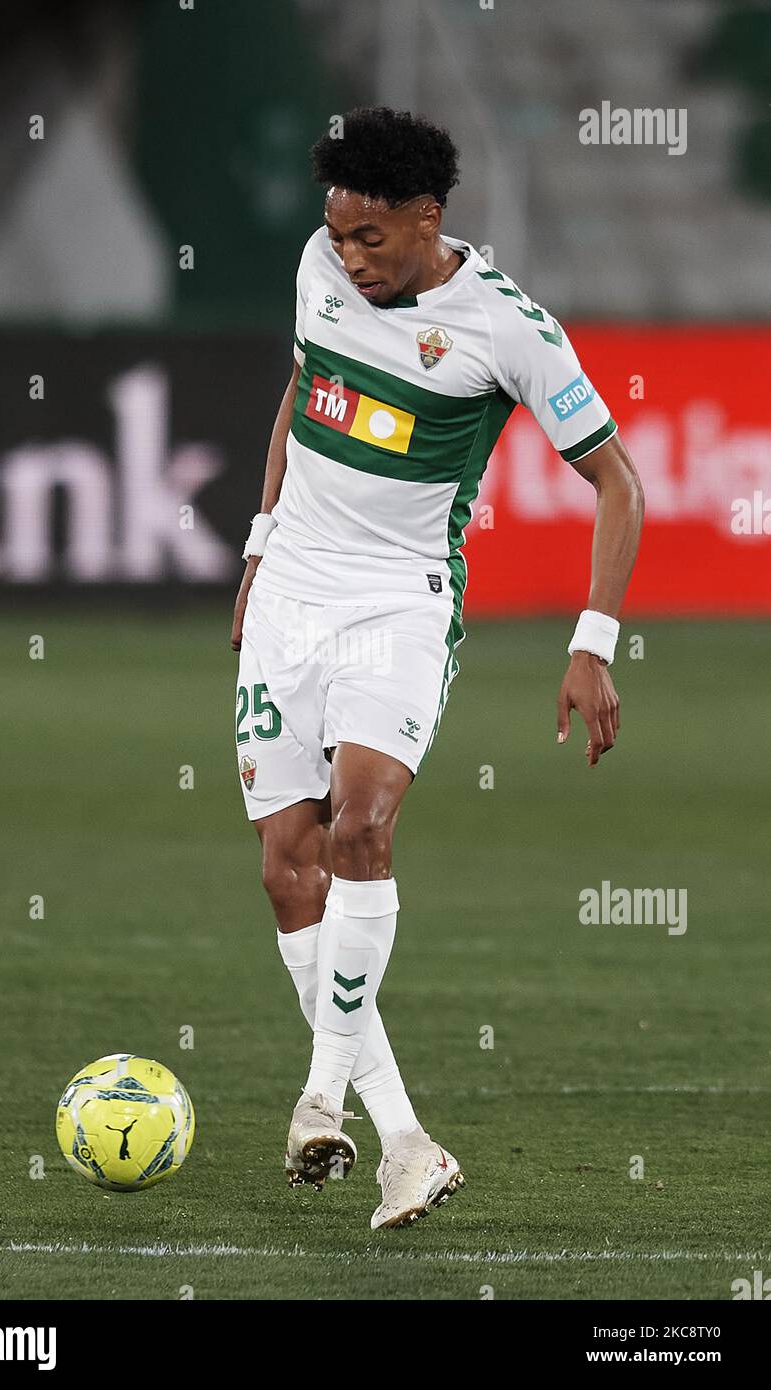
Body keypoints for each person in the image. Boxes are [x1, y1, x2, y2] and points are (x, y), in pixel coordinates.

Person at [231, 106, 644, 1230]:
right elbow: (300, 388)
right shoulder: (319, 266)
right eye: (337, 234)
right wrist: (260, 542)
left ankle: (320, 1095)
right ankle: (404, 1143)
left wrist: (590, 643)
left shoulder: (506, 329)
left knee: (358, 828)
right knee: (286, 866)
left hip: (398, 604)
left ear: (427, 217)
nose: (349, 256)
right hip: (290, 600)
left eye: (372, 237)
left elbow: (618, 484)